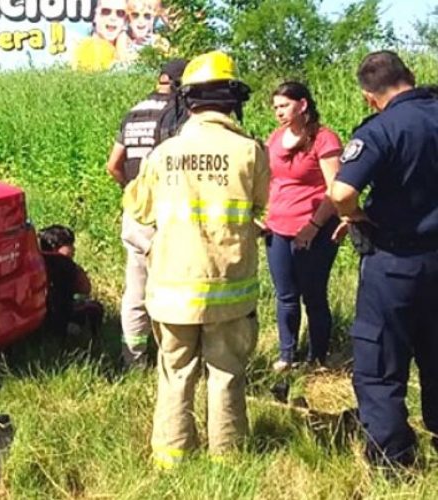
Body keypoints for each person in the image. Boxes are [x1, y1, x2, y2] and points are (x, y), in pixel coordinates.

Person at [124, 51, 269, 468]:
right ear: (232, 100)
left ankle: (171, 457)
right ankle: (228, 457)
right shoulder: (249, 151)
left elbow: (140, 210)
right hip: (230, 290)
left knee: (175, 373)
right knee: (225, 374)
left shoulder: (165, 153)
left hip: (172, 290)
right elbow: (262, 204)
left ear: (188, 101)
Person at [327, 51, 438, 471]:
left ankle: (394, 463)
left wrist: (355, 215)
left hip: (395, 263)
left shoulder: (381, 130)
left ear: (369, 97)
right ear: (410, 76)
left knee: (380, 365)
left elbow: (340, 192)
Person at [105, 58, 187, 367]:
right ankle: (173, 359)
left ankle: (133, 359)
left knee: (135, 291)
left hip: (136, 213)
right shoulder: (179, 115)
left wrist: (132, 192)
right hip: (168, 214)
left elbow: (113, 165)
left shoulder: (133, 113)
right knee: (172, 289)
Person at [263, 82, 343, 372]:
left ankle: (317, 358)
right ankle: (287, 355)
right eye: (275, 108)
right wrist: (261, 212)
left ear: (303, 105)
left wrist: (313, 225)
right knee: (285, 295)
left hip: (315, 229)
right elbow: (268, 179)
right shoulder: (275, 138)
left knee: (313, 294)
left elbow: (336, 189)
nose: (279, 113)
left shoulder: (324, 139)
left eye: (284, 106)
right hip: (277, 228)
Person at [38, 225, 104, 337]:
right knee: (95, 308)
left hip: (39, 319)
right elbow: (85, 288)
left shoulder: (36, 265)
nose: (74, 249)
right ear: (55, 247)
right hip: (61, 317)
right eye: (69, 245)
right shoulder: (66, 266)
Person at [73, 0, 128, 71]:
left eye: (120, 13)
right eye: (106, 11)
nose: (113, 18)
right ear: (95, 16)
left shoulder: (130, 47)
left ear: (125, 20)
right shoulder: (85, 47)